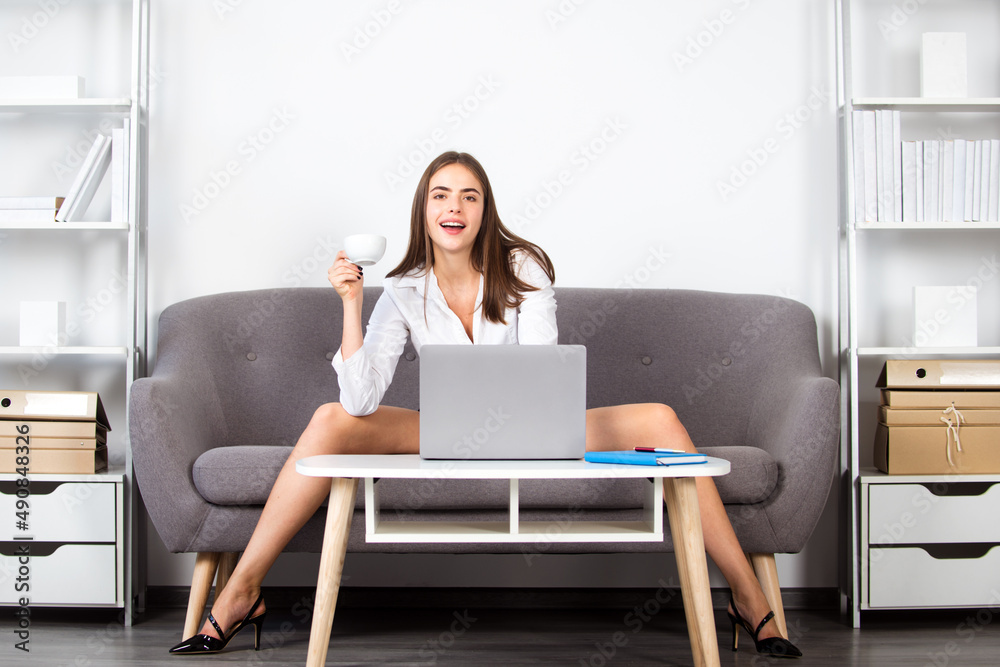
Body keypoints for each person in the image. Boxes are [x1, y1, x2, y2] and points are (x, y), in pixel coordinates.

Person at [169, 151, 802, 659]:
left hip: (533, 428)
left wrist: (520, 411)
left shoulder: (523, 269)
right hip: (450, 429)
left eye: (469, 196)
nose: (455, 206)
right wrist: (351, 305)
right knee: (331, 419)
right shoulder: (404, 291)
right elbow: (360, 399)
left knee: (661, 418)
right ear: (423, 212)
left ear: (484, 211)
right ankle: (242, 591)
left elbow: (542, 372)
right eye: (441, 195)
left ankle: (748, 601)